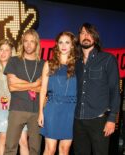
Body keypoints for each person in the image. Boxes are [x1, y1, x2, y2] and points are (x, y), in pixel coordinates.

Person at [73, 22, 120, 155]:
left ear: (95, 37)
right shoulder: (77, 63)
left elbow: (115, 90)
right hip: (78, 120)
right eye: (82, 33)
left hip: (99, 120)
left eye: (89, 33)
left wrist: (111, 119)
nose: (85, 36)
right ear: (79, 37)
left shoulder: (107, 59)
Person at [4, 29, 44, 155]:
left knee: (35, 149)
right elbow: (12, 86)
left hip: (37, 111)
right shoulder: (14, 61)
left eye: (32, 41)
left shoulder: (43, 64)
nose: (28, 44)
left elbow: (44, 89)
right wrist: (35, 84)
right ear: (22, 43)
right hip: (17, 109)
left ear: (37, 44)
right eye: (26, 41)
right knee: (10, 147)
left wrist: (21, 83)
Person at [38, 31, 77, 155]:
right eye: (61, 42)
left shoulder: (78, 65)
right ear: (57, 45)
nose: (64, 45)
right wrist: (40, 113)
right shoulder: (48, 64)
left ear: (72, 45)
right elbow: (43, 90)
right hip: (52, 110)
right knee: (50, 149)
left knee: (64, 150)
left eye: (67, 42)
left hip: (70, 111)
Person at [0, 39, 29, 155]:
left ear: (11, 53)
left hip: (18, 109)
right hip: (1, 110)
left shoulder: (18, 68)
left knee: (23, 141)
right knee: (2, 140)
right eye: (1, 49)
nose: (3, 53)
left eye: (7, 50)